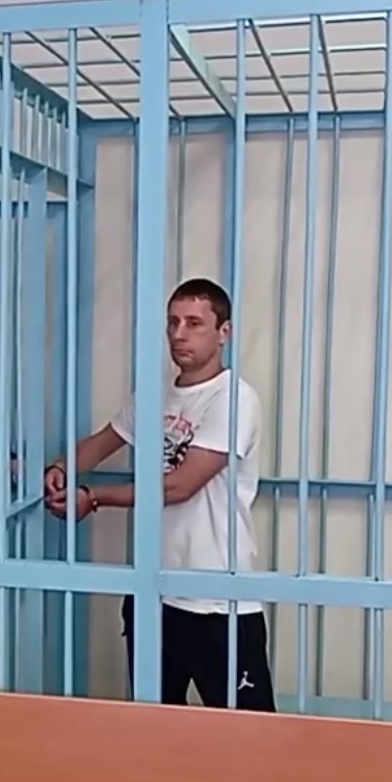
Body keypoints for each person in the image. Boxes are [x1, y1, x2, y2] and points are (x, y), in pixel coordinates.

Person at [45, 277, 274, 711]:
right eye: (172, 322)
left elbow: (180, 484)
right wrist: (59, 467)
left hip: (218, 599)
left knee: (249, 735)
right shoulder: (154, 394)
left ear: (223, 332)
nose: (179, 334)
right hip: (153, 592)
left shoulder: (235, 400)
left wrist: (93, 497)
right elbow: (103, 441)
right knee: (153, 728)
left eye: (194, 323)